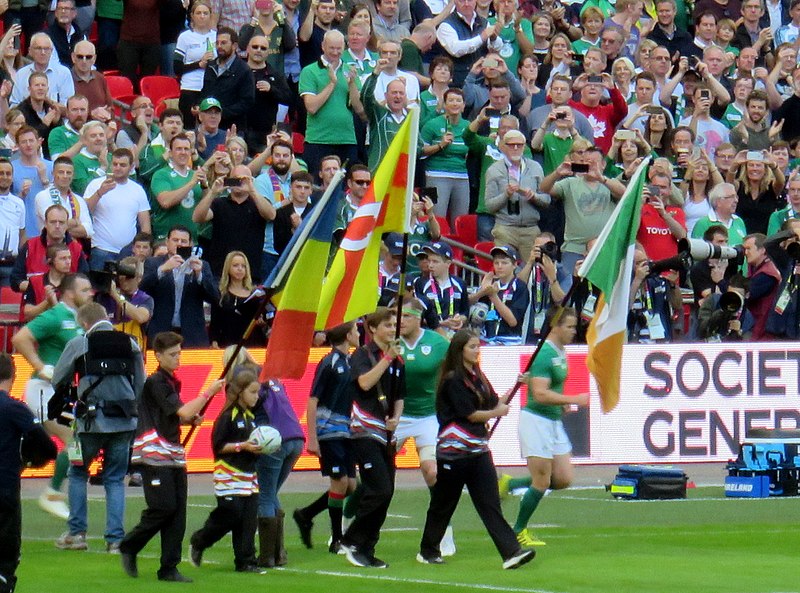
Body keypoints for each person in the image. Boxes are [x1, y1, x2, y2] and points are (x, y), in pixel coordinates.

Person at [417, 329, 535, 570]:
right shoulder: (452, 380)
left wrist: (516, 386)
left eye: (477, 346)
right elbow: (469, 414)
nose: (477, 350)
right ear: (460, 350)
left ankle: (511, 552)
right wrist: (495, 413)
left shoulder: (477, 375)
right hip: (454, 452)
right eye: (472, 346)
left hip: (478, 452)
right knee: (443, 504)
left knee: (490, 503)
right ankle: (428, 550)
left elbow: (493, 403)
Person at [120, 331, 224, 582]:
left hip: (173, 452)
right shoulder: (156, 382)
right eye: (173, 354)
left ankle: (169, 567)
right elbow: (182, 410)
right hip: (154, 452)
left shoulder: (170, 382)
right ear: (158, 356)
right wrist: (208, 393)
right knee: (163, 507)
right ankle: (130, 544)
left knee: (178, 513)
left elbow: (179, 414)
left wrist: (190, 418)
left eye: (179, 353)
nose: (178, 358)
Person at [52, 301, 145, 552]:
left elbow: (57, 378)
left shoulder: (79, 343)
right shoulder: (130, 343)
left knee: (78, 473)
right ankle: (115, 539)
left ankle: (77, 534)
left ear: (84, 323)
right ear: (106, 317)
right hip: (124, 422)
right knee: (114, 478)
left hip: (88, 424)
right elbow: (141, 383)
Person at [504, 307, 589, 547]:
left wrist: (560, 405)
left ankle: (509, 484)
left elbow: (550, 388)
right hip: (536, 421)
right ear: (555, 325)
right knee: (541, 481)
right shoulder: (543, 355)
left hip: (552, 421)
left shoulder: (560, 351)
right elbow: (539, 394)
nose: (574, 331)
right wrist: (572, 400)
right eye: (570, 326)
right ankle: (518, 530)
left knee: (562, 479)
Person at [11, 273, 93, 521]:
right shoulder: (56, 316)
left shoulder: (80, 319)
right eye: (85, 290)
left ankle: (56, 489)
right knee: (72, 439)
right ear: (70, 293)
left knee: (48, 447)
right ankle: (52, 494)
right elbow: (20, 338)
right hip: (44, 390)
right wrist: (40, 365)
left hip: (63, 393)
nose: (91, 294)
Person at [340, 307, 404, 569]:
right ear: (373, 329)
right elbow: (364, 383)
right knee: (379, 489)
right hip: (364, 430)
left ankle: (368, 546)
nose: (392, 329)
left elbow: (400, 395)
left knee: (386, 493)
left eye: (393, 325)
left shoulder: (397, 360)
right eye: (387, 325)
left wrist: (396, 418)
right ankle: (352, 539)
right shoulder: (362, 355)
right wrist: (387, 359)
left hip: (385, 432)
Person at [294, 322, 360, 553]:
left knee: (352, 485)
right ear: (347, 335)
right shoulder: (329, 362)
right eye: (356, 331)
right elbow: (312, 400)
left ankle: (306, 514)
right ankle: (336, 540)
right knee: (341, 482)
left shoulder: (351, 362)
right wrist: (312, 437)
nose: (359, 334)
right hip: (328, 430)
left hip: (346, 430)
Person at [190, 369, 264, 574]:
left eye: (257, 392)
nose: (256, 396)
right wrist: (243, 446)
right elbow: (219, 446)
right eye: (252, 392)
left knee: (249, 521)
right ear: (240, 392)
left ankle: (246, 561)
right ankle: (200, 540)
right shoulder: (226, 416)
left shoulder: (251, 417)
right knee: (231, 514)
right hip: (229, 475)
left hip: (249, 477)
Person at [396, 299, 455, 554]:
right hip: (396, 417)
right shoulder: (390, 344)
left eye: (406, 317)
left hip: (427, 417)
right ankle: (344, 532)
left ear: (418, 318)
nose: (400, 322)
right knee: (374, 478)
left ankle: (443, 533)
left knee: (432, 472)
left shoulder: (438, 343)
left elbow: (454, 371)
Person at [0, 353, 57, 593]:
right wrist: (31, 461)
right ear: (13, 377)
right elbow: (48, 446)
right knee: (5, 554)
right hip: (4, 488)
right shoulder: (14, 408)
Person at [254, 366, 305, 568]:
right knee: (272, 492)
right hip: (296, 437)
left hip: (273, 440)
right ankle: (279, 553)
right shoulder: (275, 381)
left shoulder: (251, 383)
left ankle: (268, 556)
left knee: (265, 494)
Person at [140, 225, 220, 347]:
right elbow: (142, 289)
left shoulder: (202, 265)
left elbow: (214, 297)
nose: (179, 244)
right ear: (167, 242)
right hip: (161, 331)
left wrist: (199, 275)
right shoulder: (153, 263)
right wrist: (162, 270)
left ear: (190, 245)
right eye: (175, 240)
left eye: (184, 241)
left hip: (192, 333)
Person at [484, 129, 550, 263]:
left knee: (533, 269)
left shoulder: (536, 167)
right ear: (503, 146)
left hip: (530, 229)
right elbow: (489, 205)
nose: (515, 148)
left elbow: (546, 200)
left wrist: (533, 196)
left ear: (524, 147)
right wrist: (506, 195)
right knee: (504, 268)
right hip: (505, 228)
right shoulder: (494, 170)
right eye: (511, 145)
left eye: (519, 145)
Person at [83, 148, 152, 271]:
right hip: (101, 249)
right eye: (115, 164)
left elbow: (145, 223)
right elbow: (85, 211)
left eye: (123, 165)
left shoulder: (137, 190)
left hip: (129, 252)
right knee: (100, 289)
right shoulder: (96, 184)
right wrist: (100, 192)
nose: (118, 167)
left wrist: (143, 249)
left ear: (131, 167)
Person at [10, 204, 88, 294]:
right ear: (45, 224)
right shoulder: (30, 246)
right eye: (53, 222)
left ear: (67, 225)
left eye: (61, 222)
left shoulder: (76, 249)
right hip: (35, 303)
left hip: (65, 304)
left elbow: (84, 283)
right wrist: (40, 288)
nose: (57, 226)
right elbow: (15, 281)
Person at [150, 133, 207, 241]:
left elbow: (206, 207)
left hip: (191, 240)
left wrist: (205, 186)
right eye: (178, 149)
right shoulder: (161, 174)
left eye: (186, 149)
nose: (183, 152)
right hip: (166, 240)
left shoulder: (195, 174)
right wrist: (191, 183)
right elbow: (166, 202)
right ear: (170, 153)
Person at [469, 245, 530, 343]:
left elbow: (512, 321)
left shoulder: (520, 287)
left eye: (504, 263)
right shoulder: (490, 283)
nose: (499, 266)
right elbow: (465, 303)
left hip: (510, 340)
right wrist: (482, 292)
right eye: (496, 263)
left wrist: (493, 296)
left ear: (514, 265)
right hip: (486, 338)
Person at [199, 28, 255, 131]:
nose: (219, 46)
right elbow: (205, 92)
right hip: (208, 127)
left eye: (224, 43)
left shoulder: (244, 70)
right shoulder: (211, 66)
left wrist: (220, 113)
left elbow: (246, 102)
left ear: (234, 46)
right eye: (217, 43)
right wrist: (199, 105)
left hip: (232, 128)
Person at [209, 251, 265, 348]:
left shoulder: (255, 294)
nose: (240, 269)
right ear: (228, 268)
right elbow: (215, 322)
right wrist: (214, 341)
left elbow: (264, 317)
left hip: (253, 344)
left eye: (243, 266)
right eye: (235, 265)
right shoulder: (221, 294)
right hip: (227, 344)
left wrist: (262, 320)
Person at [414, 242, 470, 334]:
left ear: (448, 264)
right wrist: (440, 323)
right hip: (430, 333)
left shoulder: (460, 283)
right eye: (429, 260)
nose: (430, 265)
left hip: (453, 334)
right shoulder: (420, 283)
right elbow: (417, 315)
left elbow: (465, 312)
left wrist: (459, 320)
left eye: (435, 261)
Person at [742, 232, 781, 340]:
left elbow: (744, 296)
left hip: (762, 333)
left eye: (749, 248)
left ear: (762, 250)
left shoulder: (767, 274)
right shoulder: (756, 268)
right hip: (758, 329)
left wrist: (721, 281)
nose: (745, 253)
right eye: (744, 249)